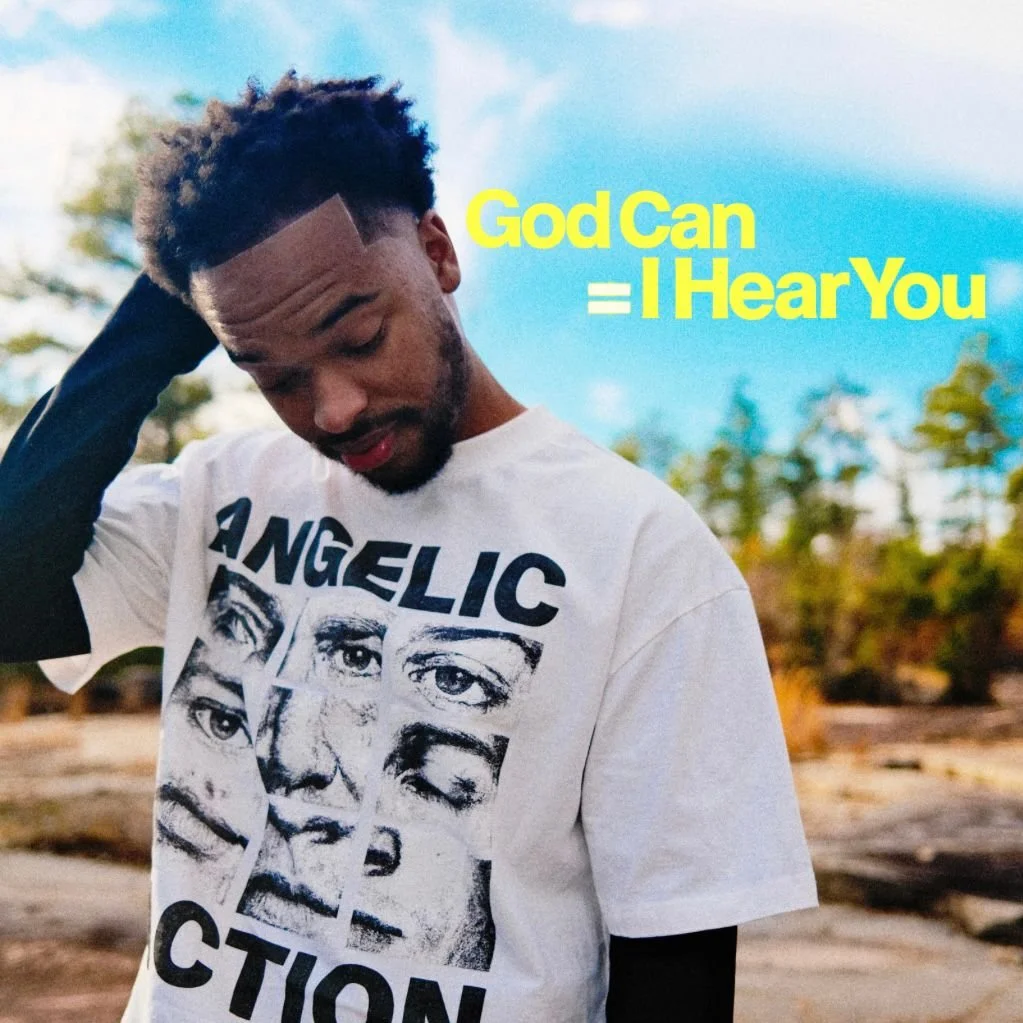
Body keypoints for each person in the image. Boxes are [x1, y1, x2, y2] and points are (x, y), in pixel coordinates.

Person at [0, 72, 818, 1022]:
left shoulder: (636, 545)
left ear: (436, 251)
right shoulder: (221, 493)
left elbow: (673, 964)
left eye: (356, 334)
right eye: (274, 373)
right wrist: (167, 306)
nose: (333, 407)